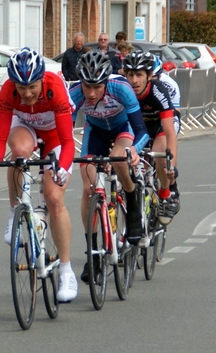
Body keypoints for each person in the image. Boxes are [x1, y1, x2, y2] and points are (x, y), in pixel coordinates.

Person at [0, 47, 78, 302]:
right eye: (21, 88)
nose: (27, 93)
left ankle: (66, 270)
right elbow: (0, 138)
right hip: (25, 128)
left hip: (55, 135)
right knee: (19, 151)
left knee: (55, 200)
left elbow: (68, 141)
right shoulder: (8, 92)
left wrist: (63, 169)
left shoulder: (55, 88)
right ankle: (16, 210)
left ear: (42, 79)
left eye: (32, 86)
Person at [69, 50, 149, 282]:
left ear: (106, 82)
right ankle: (92, 254)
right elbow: (65, 130)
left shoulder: (120, 88)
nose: (92, 93)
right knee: (88, 186)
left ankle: (132, 202)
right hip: (95, 132)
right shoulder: (74, 94)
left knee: (118, 157)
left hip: (122, 128)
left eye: (97, 87)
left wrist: (134, 150)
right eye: (87, 86)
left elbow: (141, 129)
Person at [123, 52, 179, 226]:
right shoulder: (123, 90)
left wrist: (171, 166)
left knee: (159, 155)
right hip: (137, 126)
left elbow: (170, 133)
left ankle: (165, 194)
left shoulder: (158, 90)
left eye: (139, 75)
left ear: (149, 76)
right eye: (130, 75)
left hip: (161, 124)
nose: (134, 81)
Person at [151, 55, 181, 213]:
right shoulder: (133, 83)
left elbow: (175, 113)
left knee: (162, 151)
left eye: (154, 77)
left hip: (166, 119)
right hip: (144, 120)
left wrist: (171, 165)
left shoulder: (169, 85)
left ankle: (172, 185)